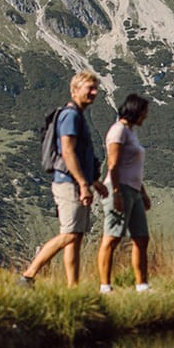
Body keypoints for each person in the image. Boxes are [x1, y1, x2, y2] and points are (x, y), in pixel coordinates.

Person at [21, 71, 108, 286]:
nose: (94, 93)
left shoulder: (78, 115)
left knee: (75, 237)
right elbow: (68, 152)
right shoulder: (71, 116)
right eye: (90, 88)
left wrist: (94, 181)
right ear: (75, 89)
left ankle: (73, 287)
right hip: (69, 184)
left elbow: (80, 154)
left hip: (75, 182)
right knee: (70, 234)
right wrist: (83, 184)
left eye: (96, 88)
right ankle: (29, 274)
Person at [96, 94, 153, 294]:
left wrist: (143, 193)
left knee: (141, 237)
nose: (145, 116)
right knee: (112, 237)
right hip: (119, 189)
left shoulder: (130, 132)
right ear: (135, 110)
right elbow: (113, 164)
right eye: (144, 112)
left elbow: (133, 167)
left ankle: (142, 285)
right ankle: (105, 286)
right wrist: (117, 192)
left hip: (134, 190)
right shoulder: (118, 131)